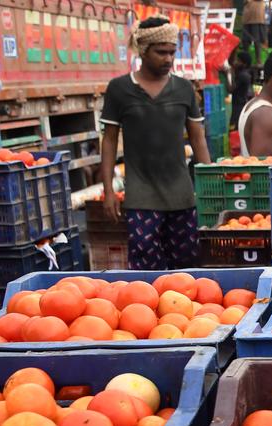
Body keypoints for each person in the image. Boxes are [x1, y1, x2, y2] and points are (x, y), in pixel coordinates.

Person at [100, 16, 210, 270]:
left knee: (188, 265)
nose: (168, 59)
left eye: (172, 52)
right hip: (141, 196)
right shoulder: (119, 89)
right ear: (143, 51)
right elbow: (109, 142)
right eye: (161, 52)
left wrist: (208, 183)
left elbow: (197, 137)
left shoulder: (183, 89)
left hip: (181, 195)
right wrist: (108, 191)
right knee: (144, 266)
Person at [230, 51, 254, 131]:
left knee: (234, 128)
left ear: (244, 64)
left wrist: (228, 74)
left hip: (239, 105)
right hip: (241, 103)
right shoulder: (246, 74)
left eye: (238, 61)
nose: (235, 62)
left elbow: (231, 89)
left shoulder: (242, 75)